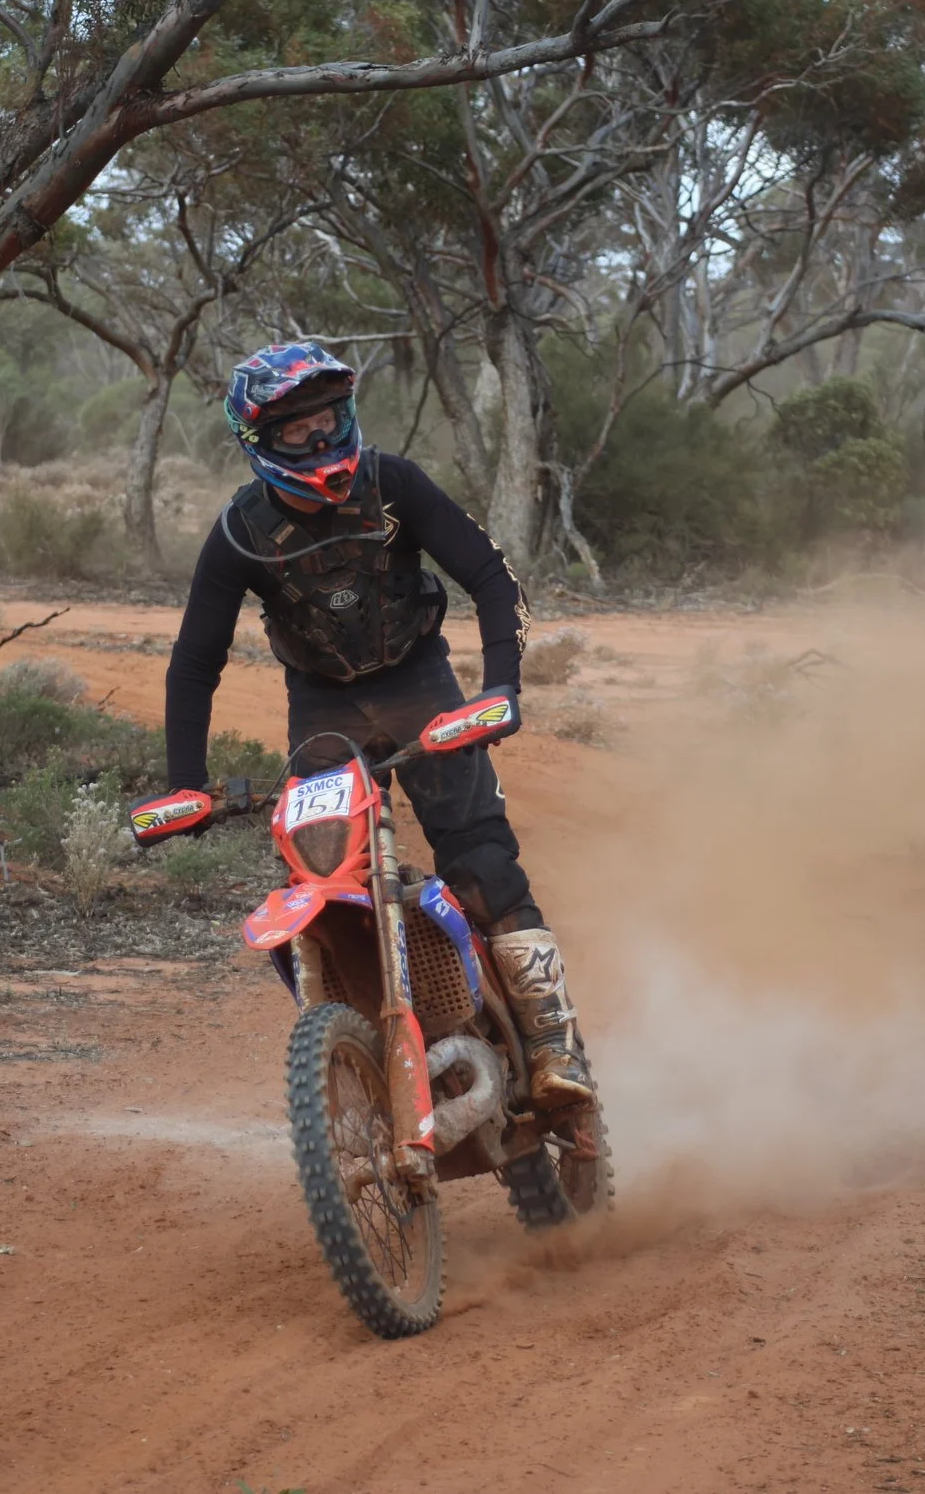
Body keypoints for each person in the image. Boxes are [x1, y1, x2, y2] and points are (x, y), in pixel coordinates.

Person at [148, 341, 595, 1107]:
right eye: (297, 430)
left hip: (419, 684)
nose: (320, 440)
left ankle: (555, 1045)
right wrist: (184, 784)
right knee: (322, 875)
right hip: (322, 709)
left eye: (328, 419)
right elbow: (194, 663)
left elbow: (492, 576)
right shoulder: (240, 533)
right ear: (260, 441)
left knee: (481, 860)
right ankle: (359, 1048)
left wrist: (501, 688)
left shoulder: (394, 484)